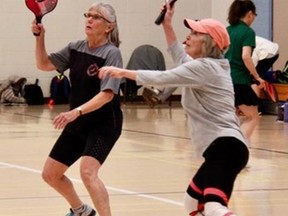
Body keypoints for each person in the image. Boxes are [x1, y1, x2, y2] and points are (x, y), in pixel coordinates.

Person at [99, 3, 248, 216]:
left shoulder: (204, 68)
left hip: (226, 147)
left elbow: (162, 77)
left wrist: (121, 72)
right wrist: (167, 24)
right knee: (192, 203)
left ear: (209, 42)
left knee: (214, 207)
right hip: (223, 148)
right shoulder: (205, 67)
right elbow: (178, 54)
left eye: (195, 33)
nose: (188, 37)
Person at [31, 2, 123, 216]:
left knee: (88, 173)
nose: (89, 19)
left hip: (104, 124)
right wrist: (40, 37)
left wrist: (77, 111)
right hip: (78, 122)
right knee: (50, 174)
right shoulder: (75, 48)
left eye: (96, 17)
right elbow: (43, 64)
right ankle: (81, 211)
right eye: (88, 15)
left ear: (109, 27)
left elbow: (107, 95)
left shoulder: (112, 53)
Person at [224, 0, 265, 143]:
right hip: (239, 80)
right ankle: (237, 148)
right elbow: (246, 56)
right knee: (252, 117)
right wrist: (257, 77)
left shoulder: (227, 30)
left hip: (224, 79)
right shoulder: (248, 32)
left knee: (232, 117)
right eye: (254, 15)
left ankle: (227, 148)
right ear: (249, 14)